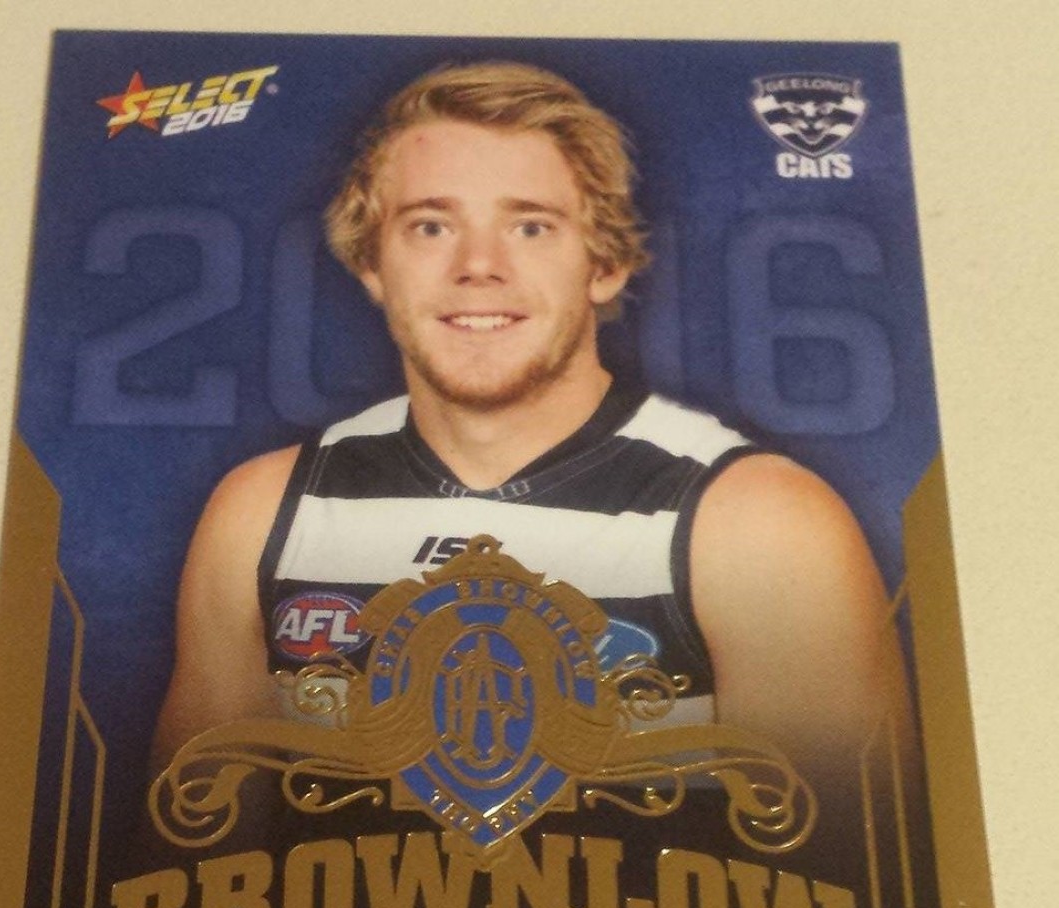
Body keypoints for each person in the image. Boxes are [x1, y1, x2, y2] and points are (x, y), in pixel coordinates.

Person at [151, 62, 902, 783]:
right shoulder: (261, 514)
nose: (479, 264)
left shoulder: (762, 525)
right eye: (430, 226)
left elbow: (846, 860)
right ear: (372, 265)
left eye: (531, 228)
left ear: (604, 263)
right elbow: (193, 844)